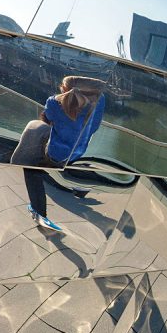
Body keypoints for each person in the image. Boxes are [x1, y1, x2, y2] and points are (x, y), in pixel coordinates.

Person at [10, 76, 106, 231]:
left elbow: (46, 120)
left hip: (56, 154)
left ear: (64, 88)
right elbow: (94, 127)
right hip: (79, 151)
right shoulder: (100, 99)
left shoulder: (54, 102)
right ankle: (80, 182)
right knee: (54, 142)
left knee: (32, 147)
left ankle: (38, 211)